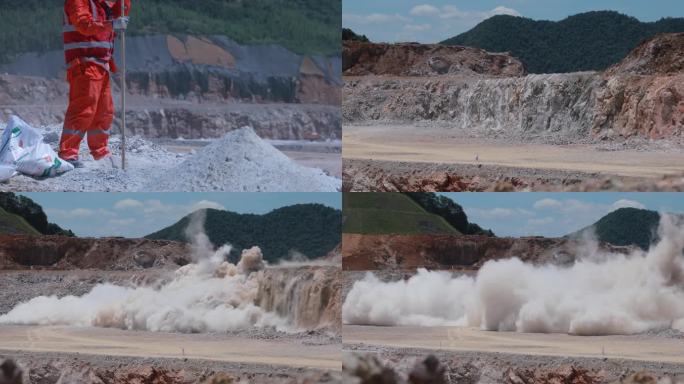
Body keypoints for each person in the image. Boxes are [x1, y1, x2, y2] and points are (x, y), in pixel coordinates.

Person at [60, 0, 131, 168]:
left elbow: (120, 13)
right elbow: (83, 24)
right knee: (83, 108)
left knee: (104, 111)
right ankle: (68, 153)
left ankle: (100, 152)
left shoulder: (102, 4)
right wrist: (111, 24)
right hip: (84, 63)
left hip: (102, 63)